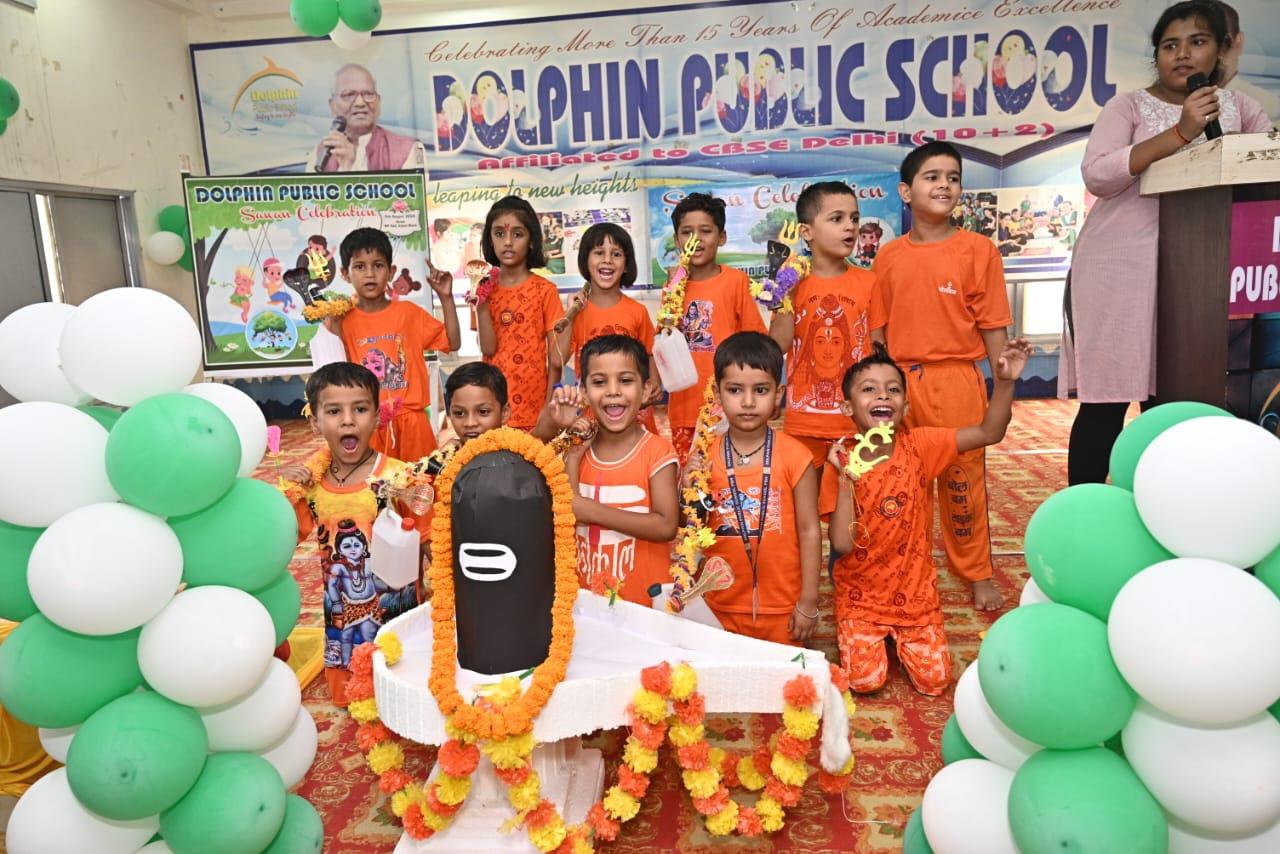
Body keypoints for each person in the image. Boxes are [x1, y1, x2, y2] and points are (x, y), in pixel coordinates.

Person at [1061, 0, 1271, 485]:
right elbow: (1098, 174)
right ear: (1156, 55)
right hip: (1120, 268)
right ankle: (1087, 506)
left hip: (1202, 275)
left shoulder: (1242, 109)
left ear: (1221, 49)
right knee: (1107, 401)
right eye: (1169, 45)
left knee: (1174, 402)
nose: (1182, 54)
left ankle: (1161, 507)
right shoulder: (1128, 107)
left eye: (1197, 42)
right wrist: (1181, 132)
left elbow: (1262, 174)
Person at [824, 339, 1033, 694]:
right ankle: (869, 633)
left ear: (906, 406)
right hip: (862, 598)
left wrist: (1005, 383)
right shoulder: (841, 458)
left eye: (893, 390)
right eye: (869, 389)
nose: (883, 395)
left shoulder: (920, 446)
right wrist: (846, 478)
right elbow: (842, 543)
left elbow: (989, 432)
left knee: (935, 681)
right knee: (864, 681)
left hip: (915, 597)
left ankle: (900, 636)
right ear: (848, 406)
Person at [873, 140, 1013, 612]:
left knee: (962, 482)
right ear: (905, 192)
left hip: (957, 380)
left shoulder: (978, 250)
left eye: (953, 178)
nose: (944, 185)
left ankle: (975, 571)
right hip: (899, 383)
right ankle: (902, 565)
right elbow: (878, 331)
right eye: (932, 177)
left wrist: (1004, 383)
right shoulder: (888, 256)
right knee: (898, 480)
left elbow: (993, 326)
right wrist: (878, 388)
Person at [276, 362, 431, 706]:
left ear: (377, 417)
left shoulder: (400, 478)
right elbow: (284, 537)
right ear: (315, 422)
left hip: (394, 606)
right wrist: (291, 494)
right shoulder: (312, 484)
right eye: (334, 411)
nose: (348, 421)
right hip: (342, 607)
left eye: (360, 409)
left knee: (400, 685)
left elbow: (428, 539)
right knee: (350, 690)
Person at [701, 332, 820, 646]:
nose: (748, 402)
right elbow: (689, 526)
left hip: (782, 608)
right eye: (735, 390)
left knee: (786, 677)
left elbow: (810, 530)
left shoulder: (796, 456)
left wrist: (808, 601)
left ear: (779, 394)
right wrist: (686, 486)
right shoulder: (703, 457)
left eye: (761, 390)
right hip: (719, 606)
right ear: (717, 392)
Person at [770, 181, 886, 471]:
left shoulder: (869, 282)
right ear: (806, 232)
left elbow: (879, 351)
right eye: (837, 219)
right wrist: (783, 295)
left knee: (853, 494)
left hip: (856, 419)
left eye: (854, 218)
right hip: (804, 420)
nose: (850, 227)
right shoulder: (791, 282)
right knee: (805, 495)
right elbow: (778, 346)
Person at [562, 335, 680, 605]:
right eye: (599, 382)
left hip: (644, 606)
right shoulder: (578, 450)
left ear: (646, 389)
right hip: (587, 604)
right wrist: (573, 456)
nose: (613, 391)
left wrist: (592, 511)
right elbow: (568, 509)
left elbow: (666, 525)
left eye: (625, 380)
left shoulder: (657, 452)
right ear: (583, 391)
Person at [331, 227, 460, 461]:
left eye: (378, 265)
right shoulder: (342, 322)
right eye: (359, 266)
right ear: (345, 274)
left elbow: (453, 342)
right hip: (369, 423)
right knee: (373, 480)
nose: (370, 274)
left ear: (391, 272)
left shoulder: (409, 313)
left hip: (413, 423)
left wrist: (446, 298)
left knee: (422, 479)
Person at [666, 193, 767, 463]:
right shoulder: (672, 285)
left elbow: (755, 343)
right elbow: (664, 341)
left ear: (721, 237)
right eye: (687, 232)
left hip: (728, 408)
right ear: (677, 240)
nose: (696, 239)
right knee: (689, 480)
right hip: (683, 409)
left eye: (705, 231)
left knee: (729, 474)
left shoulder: (736, 281)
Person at [474, 195, 566, 431]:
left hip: (536, 408)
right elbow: (488, 349)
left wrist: (548, 408)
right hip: (493, 409)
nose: (507, 242)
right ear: (489, 239)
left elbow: (556, 359)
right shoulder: (483, 290)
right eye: (499, 234)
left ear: (532, 240)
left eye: (517, 234)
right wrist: (481, 305)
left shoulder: (545, 290)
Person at [555, 223, 660, 421]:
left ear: (626, 264)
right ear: (585, 260)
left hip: (633, 413)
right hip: (592, 415)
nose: (607, 260)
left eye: (616, 254)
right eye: (599, 253)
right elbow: (557, 359)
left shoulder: (637, 311)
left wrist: (653, 384)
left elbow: (650, 353)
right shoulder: (576, 311)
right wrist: (570, 312)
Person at [308, 63, 425, 172]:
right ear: (333, 106)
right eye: (348, 94)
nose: (360, 103)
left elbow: (418, 187)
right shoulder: (319, 153)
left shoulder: (412, 149)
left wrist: (350, 167)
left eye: (368, 94)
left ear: (379, 102)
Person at [1213, 1, 1280, 125]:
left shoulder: (1268, 107)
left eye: (1223, 41)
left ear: (1239, 42)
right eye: (1199, 42)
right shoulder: (1178, 105)